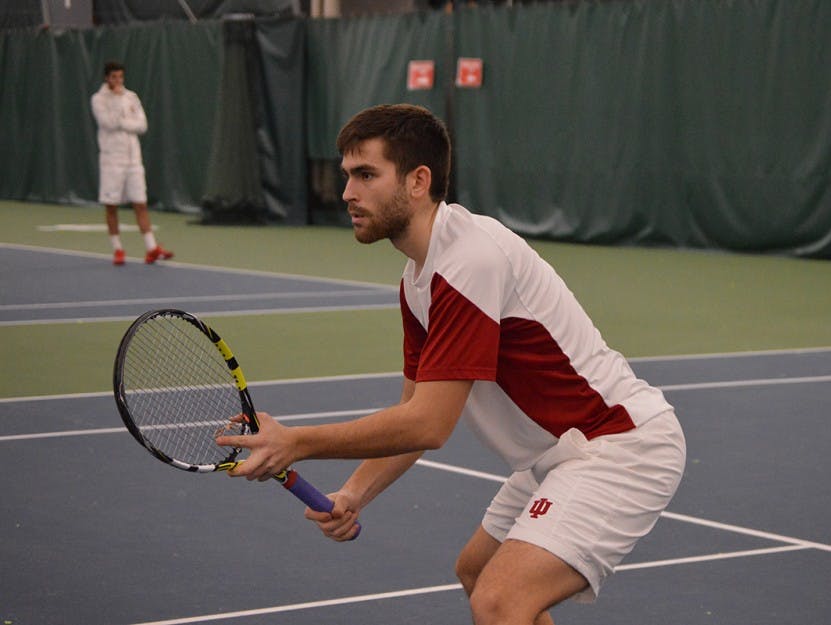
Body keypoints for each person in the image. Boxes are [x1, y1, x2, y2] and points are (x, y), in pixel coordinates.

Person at [216, 104, 686, 624]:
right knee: (477, 573)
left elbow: (430, 424)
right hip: (557, 454)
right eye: (348, 174)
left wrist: (296, 441)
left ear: (419, 181)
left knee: (500, 601)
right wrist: (352, 493)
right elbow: (413, 411)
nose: (348, 192)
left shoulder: (470, 259)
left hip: (619, 445)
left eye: (366, 174)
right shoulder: (419, 278)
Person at [91, 60, 172, 265]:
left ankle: (151, 248)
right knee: (112, 206)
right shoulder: (98, 99)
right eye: (114, 77)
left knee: (141, 204)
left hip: (134, 160)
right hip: (112, 161)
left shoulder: (132, 97)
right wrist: (120, 110)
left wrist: (123, 123)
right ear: (106, 78)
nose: (118, 81)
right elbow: (107, 123)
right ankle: (118, 249)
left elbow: (142, 125)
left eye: (120, 77)